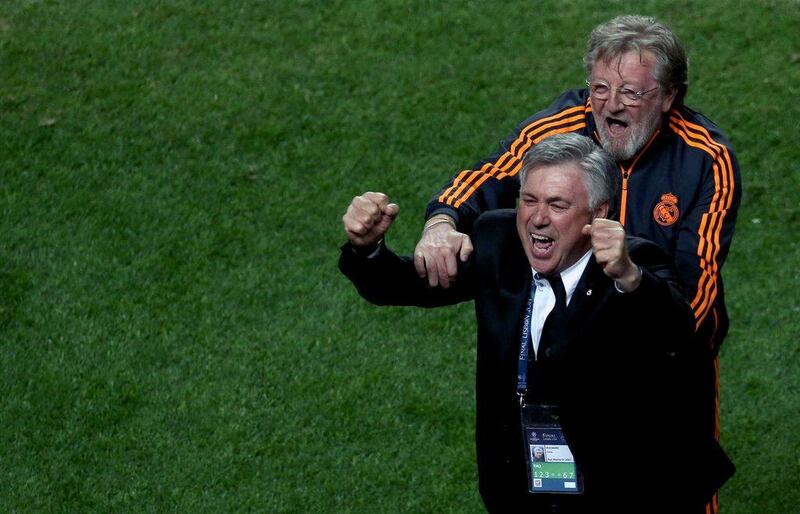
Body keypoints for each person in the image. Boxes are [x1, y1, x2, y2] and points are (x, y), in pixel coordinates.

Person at [414, 18, 740, 510]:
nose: (610, 105)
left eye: (631, 92)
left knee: (676, 495)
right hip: (575, 371)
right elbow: (488, 177)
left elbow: (695, 298)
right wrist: (442, 221)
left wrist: (626, 340)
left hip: (667, 368)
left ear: (669, 97)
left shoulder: (706, 161)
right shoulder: (561, 127)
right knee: (566, 495)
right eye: (600, 88)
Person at [340, 134, 733, 513]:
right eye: (530, 200)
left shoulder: (635, 263)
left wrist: (630, 278)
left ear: (597, 214)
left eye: (558, 205)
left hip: (633, 488)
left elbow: (678, 335)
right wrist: (368, 248)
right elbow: (405, 285)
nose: (538, 219)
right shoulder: (498, 241)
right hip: (521, 487)